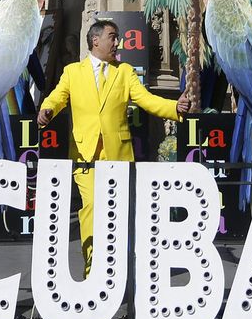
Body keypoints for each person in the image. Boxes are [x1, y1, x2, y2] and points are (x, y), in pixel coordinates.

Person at [37, 18, 192, 271]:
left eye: (116, 36)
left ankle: (116, 270)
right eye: (112, 36)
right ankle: (91, 268)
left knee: (117, 213)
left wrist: (174, 107)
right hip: (85, 157)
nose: (117, 42)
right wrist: (47, 110)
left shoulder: (125, 72)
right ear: (95, 40)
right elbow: (57, 97)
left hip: (118, 156)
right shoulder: (73, 72)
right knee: (92, 209)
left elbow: (146, 99)